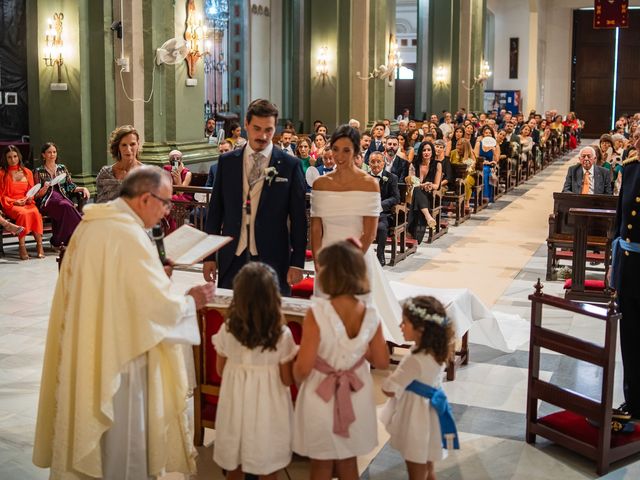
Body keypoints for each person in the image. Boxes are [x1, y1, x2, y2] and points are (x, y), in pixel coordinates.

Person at [33, 166, 215, 479]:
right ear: (145, 199)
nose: (168, 211)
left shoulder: (96, 224)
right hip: (122, 364)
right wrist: (191, 301)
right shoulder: (127, 234)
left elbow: (120, 290)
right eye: (166, 203)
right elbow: (155, 308)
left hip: (96, 351)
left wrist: (156, 275)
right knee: (126, 452)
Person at [293, 240, 389, 479]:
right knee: (348, 463)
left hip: (321, 393)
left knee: (321, 465)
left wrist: (294, 377)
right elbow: (382, 360)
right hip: (356, 393)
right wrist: (357, 352)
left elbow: (304, 367)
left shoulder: (317, 313)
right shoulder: (370, 314)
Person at [309, 124, 404, 343]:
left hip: (357, 259)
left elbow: (369, 233)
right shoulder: (321, 184)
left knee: (357, 324)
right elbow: (316, 227)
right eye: (335, 149)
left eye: (346, 150)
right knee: (327, 321)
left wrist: (348, 263)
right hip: (326, 260)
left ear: (357, 153)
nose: (339, 156)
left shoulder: (369, 184)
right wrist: (318, 260)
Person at [204, 99, 307, 295]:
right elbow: (216, 211)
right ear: (246, 124)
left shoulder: (289, 165)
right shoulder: (227, 163)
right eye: (257, 129)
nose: (263, 136)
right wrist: (209, 256)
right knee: (233, 318)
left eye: (269, 129)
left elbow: (299, 219)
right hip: (232, 255)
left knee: (271, 320)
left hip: (274, 257)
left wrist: (297, 262)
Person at [212, 262, 297, 479]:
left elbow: (220, 370)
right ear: (273, 298)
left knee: (235, 463)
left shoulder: (228, 328)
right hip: (269, 410)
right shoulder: (281, 334)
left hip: (235, 406)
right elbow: (287, 379)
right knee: (269, 465)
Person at [380, 296, 459, 480]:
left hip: (416, 419)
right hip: (432, 415)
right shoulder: (437, 351)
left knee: (415, 470)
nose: (400, 326)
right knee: (428, 468)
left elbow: (390, 389)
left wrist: (387, 379)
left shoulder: (414, 359)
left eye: (404, 322)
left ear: (421, 329)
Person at [33, 142, 87, 248]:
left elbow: (70, 186)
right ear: (43, 155)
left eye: (54, 152)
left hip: (63, 198)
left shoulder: (62, 168)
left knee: (66, 207)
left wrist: (83, 188)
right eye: (49, 152)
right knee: (67, 206)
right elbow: (36, 195)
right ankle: (84, 230)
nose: (52, 154)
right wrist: (44, 188)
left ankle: (58, 241)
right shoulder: (38, 171)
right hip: (47, 201)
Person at [0, 145, 45, 259]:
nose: (13, 159)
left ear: (19, 157)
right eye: (9, 157)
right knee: (23, 214)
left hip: (27, 202)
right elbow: (1, 195)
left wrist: (30, 198)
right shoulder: (1, 174)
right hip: (10, 204)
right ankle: (22, 246)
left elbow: (31, 191)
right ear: (5, 159)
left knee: (35, 213)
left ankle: (39, 246)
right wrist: (15, 202)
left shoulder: (27, 172)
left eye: (15, 156)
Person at [96, 125, 143, 203]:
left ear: (138, 144)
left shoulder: (147, 174)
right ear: (118, 147)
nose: (128, 149)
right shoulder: (105, 174)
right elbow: (101, 205)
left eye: (132, 144)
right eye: (124, 145)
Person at [369, 152, 400, 266]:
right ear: (368, 163)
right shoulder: (364, 177)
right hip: (365, 212)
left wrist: (381, 205)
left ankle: (380, 254)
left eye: (379, 161)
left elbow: (396, 197)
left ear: (384, 163)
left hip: (383, 214)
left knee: (381, 228)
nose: (376, 165)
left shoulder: (392, 178)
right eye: (373, 162)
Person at [407, 141, 441, 243]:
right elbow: (411, 181)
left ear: (432, 152)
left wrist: (430, 186)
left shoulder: (437, 164)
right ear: (420, 152)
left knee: (419, 193)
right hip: (413, 194)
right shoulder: (414, 164)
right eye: (424, 150)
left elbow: (437, 185)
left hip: (429, 195)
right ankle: (428, 216)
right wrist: (421, 185)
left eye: (429, 150)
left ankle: (411, 232)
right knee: (417, 189)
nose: (426, 152)